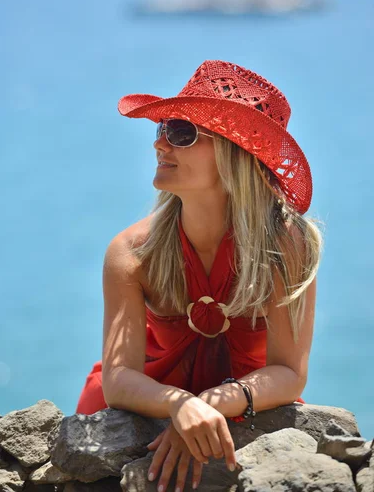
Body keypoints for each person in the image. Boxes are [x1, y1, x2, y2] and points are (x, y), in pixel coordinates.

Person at [76, 60, 323, 492]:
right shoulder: (131, 253)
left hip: (243, 410)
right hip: (134, 419)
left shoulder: (286, 245)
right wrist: (180, 407)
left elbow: (289, 371)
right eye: (162, 130)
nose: (160, 145)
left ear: (234, 153)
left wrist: (211, 406)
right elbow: (117, 381)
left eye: (181, 133)